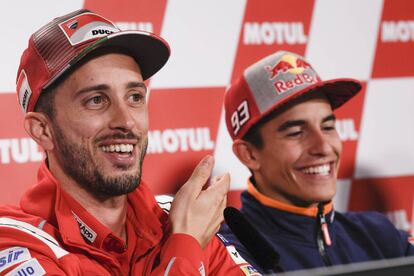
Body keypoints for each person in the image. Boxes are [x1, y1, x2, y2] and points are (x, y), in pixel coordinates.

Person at [0, 9, 258, 275]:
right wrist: (184, 250)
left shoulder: (178, 219)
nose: (126, 121)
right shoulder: (15, 243)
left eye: (135, 97)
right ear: (42, 130)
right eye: (96, 100)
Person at [219, 50, 414, 273]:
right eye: (296, 132)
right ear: (249, 154)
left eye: (328, 127)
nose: (323, 147)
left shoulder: (379, 235)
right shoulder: (228, 255)